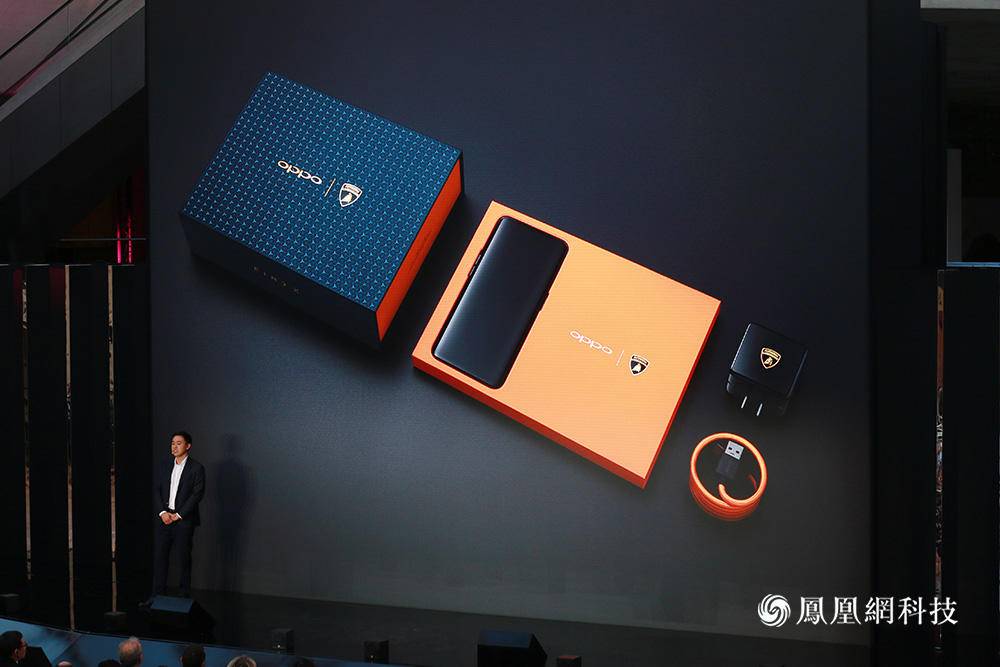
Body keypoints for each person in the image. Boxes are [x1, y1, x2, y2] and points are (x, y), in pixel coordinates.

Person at [145, 431, 205, 603]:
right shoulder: (164, 465)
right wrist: (162, 513)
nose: (174, 446)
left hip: (183, 521)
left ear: (188, 446)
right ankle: (156, 596)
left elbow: (197, 494)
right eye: (172, 443)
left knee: (183, 559)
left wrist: (178, 515)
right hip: (164, 519)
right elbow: (156, 489)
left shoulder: (196, 468)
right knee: (160, 558)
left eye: (179, 443)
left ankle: (183, 597)